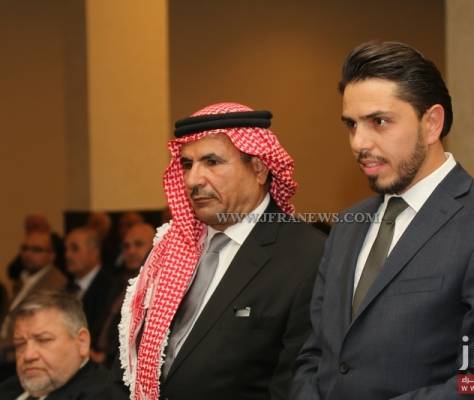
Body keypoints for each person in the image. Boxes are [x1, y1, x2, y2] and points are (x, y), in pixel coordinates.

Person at [292, 41, 474, 399]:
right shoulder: (349, 224)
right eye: (351, 125)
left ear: (431, 124)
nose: (359, 142)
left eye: (379, 122)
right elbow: (316, 354)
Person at [118, 102, 325, 399]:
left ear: (259, 169)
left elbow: (297, 384)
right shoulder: (171, 249)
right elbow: (130, 361)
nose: (193, 180)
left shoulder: (307, 257)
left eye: (212, 162)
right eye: (187, 164)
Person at [0, 290, 112, 399]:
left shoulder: (103, 394)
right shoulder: (9, 388)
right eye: (20, 344)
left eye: (43, 340)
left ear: (82, 342)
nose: (28, 355)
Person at [91, 222, 155, 367]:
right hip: (98, 358)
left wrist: (106, 358)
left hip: (126, 365)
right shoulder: (118, 281)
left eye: (138, 244)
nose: (131, 251)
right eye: (126, 246)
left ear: (155, 246)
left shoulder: (158, 286)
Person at [65, 227, 115, 348]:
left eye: (75, 249)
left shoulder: (111, 287)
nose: (67, 255)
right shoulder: (66, 287)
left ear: (95, 252)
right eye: (66, 249)